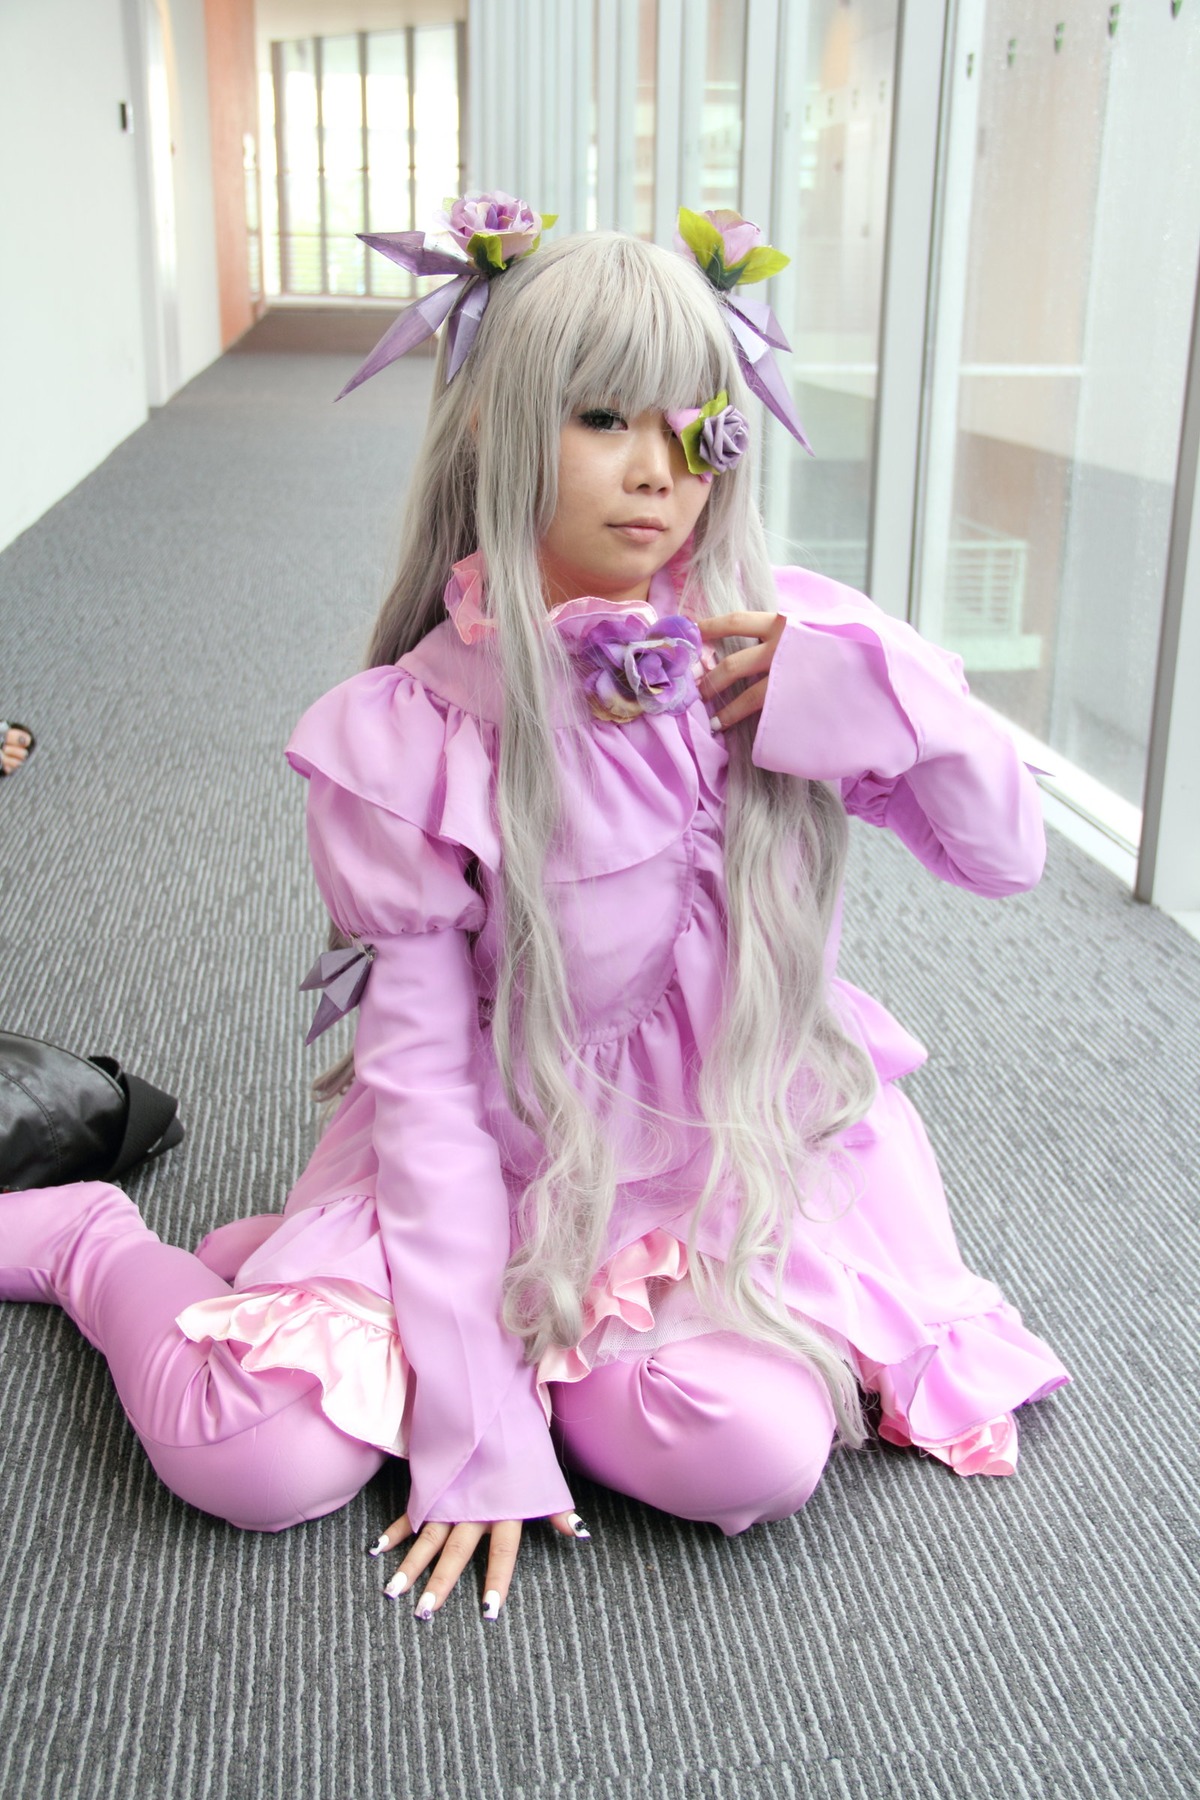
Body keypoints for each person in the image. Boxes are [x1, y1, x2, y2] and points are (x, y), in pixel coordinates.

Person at [0, 202, 1068, 1626]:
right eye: (604, 418)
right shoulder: (420, 732)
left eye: (696, 428)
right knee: (252, 1457)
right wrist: (477, 1430)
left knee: (754, 1449)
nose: (658, 472)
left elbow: (1005, 856)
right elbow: (430, 1092)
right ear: (505, 433)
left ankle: (450, 1335)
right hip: (472, 1166)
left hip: (695, 1175)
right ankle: (89, 1241)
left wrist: (882, 697)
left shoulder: (771, 649)